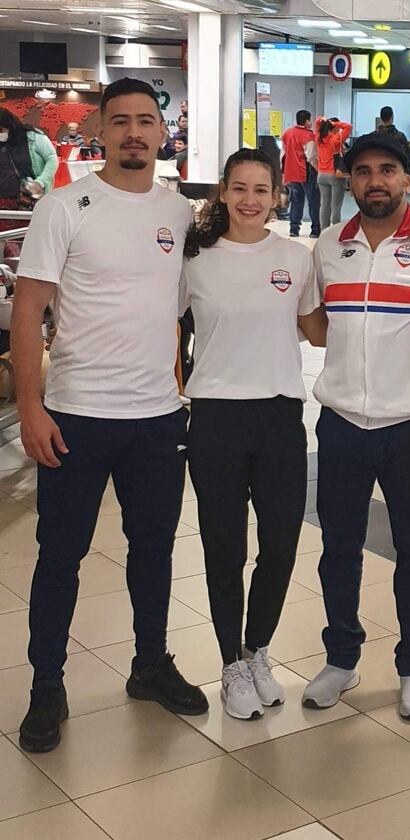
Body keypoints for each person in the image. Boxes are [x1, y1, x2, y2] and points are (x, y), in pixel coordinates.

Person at [11, 77, 208, 755]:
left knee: (153, 551)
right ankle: (45, 685)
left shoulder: (180, 214)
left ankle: (149, 664)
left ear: (162, 132)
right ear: (98, 129)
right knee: (59, 555)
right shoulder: (66, 206)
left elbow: (192, 307)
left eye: (145, 121)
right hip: (75, 416)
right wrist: (30, 408)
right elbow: (28, 309)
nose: (132, 132)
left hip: (156, 418)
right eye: (119, 120)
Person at [302, 132, 410, 721]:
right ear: (348, 178)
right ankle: (342, 658)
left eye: (388, 170)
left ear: (405, 177)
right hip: (341, 423)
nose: (375, 181)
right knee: (337, 548)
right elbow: (317, 328)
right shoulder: (326, 247)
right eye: (364, 171)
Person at [182, 148, 327, 720]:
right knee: (224, 547)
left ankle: (257, 648)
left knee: (281, 543)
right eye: (239, 188)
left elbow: (316, 330)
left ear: (277, 195)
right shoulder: (194, 260)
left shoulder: (295, 256)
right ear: (223, 192)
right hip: (215, 416)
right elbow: (162, 323)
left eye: (261, 190)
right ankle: (229, 663)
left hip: (279, 416)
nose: (249, 200)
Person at [0, 108, 57, 259]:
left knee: (30, 242)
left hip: (28, 200)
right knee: (6, 246)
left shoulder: (32, 136)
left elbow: (52, 158)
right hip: (4, 204)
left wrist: (41, 181)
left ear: (9, 124)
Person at [281, 109, 320, 238]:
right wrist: (318, 169)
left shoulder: (287, 133)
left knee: (296, 201)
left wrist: (284, 171)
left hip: (292, 171)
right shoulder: (308, 135)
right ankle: (315, 229)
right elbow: (311, 156)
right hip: (306, 171)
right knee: (313, 201)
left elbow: (283, 154)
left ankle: (294, 229)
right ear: (307, 121)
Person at [315, 116, 352, 230]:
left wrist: (325, 121)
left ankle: (324, 231)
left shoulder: (318, 138)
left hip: (321, 175)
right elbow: (349, 127)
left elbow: (317, 122)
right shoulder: (336, 139)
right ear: (333, 127)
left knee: (324, 205)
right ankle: (335, 232)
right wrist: (337, 124)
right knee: (336, 206)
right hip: (335, 175)